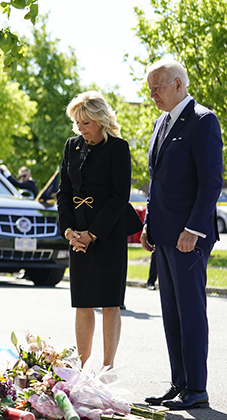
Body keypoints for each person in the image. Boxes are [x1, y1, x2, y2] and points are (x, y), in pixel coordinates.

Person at [141, 58, 222, 410]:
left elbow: (211, 182)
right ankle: (180, 384)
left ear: (178, 84)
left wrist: (193, 228)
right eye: (149, 88)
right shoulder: (161, 121)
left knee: (190, 313)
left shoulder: (203, 121)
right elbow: (157, 180)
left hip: (189, 238)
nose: (152, 94)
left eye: (157, 86)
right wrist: (149, 225)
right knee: (172, 314)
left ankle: (197, 390)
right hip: (164, 236)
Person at [56, 91, 142, 369]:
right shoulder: (72, 146)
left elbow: (120, 196)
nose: (81, 129)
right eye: (77, 124)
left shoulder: (118, 147)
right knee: (82, 302)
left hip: (108, 233)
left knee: (109, 303)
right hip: (77, 233)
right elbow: (64, 192)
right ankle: (82, 368)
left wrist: (92, 235)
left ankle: (107, 368)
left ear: (101, 120)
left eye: (86, 123)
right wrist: (70, 231)